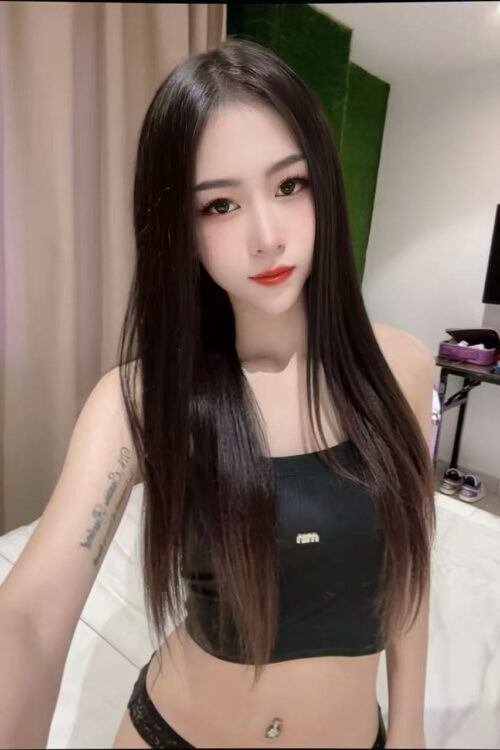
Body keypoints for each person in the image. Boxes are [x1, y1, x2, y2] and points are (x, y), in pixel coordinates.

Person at [0, 38, 436, 749]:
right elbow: (29, 619)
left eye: (289, 186)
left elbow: (410, 564)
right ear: (181, 229)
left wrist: (410, 726)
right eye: (221, 205)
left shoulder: (403, 367)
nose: (266, 236)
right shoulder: (144, 399)